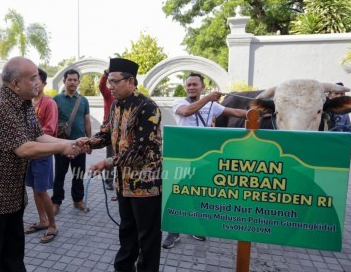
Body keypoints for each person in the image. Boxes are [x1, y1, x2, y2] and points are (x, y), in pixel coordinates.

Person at [0, 56, 88, 271]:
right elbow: (24, 148)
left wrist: (72, 142)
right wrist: (62, 148)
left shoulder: (24, 103)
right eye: (32, 78)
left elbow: (37, 137)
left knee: (13, 254)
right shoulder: (0, 106)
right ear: (16, 84)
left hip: (11, 195)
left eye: (37, 77)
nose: (38, 83)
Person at [88, 58, 163, 272]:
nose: (109, 86)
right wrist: (85, 143)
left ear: (131, 81)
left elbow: (140, 150)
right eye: (108, 81)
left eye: (114, 81)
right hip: (123, 184)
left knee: (147, 237)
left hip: (146, 186)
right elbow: (106, 133)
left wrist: (107, 162)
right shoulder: (116, 106)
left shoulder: (148, 108)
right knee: (127, 231)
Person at [162, 72, 247, 249]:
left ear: (202, 86)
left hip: (203, 156)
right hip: (182, 155)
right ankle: (173, 232)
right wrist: (208, 98)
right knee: (177, 193)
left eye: (195, 84)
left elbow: (236, 112)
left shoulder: (213, 106)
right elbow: (186, 112)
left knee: (199, 191)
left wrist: (254, 114)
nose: (191, 87)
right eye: (189, 85)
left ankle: (194, 227)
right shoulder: (180, 103)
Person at [24, 68, 59, 243]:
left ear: (44, 83)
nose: (34, 83)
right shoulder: (27, 102)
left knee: (41, 190)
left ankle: (52, 225)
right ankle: (42, 220)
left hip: (42, 153)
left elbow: (50, 129)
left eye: (36, 80)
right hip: (29, 153)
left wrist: (27, 136)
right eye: (31, 80)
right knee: (34, 189)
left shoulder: (48, 103)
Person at [52, 69, 91, 215]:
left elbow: (87, 121)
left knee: (78, 173)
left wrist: (90, 142)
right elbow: (53, 123)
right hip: (62, 145)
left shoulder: (83, 101)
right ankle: (56, 202)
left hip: (80, 144)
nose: (72, 82)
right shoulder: (56, 100)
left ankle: (78, 200)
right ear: (64, 81)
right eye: (70, 79)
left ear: (78, 82)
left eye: (75, 80)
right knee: (59, 174)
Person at [327, 83, 351, 161]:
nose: (339, 96)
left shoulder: (345, 112)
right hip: (325, 146)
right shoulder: (321, 110)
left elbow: (348, 130)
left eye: (341, 94)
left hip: (341, 147)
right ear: (329, 95)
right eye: (336, 93)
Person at [99, 69, 115, 190]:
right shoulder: (108, 93)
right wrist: (105, 74)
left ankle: (120, 179)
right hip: (109, 129)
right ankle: (109, 179)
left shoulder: (126, 96)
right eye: (112, 82)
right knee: (110, 154)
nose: (114, 85)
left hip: (122, 129)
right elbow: (101, 86)